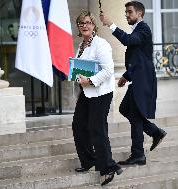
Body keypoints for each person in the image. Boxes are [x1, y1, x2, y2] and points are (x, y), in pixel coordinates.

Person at [100, 1, 167, 166]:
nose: (127, 15)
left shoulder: (143, 29)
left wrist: (111, 24)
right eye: (126, 12)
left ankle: (138, 154)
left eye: (130, 12)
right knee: (124, 108)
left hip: (144, 80)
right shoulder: (138, 30)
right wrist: (126, 75)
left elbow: (128, 40)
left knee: (135, 116)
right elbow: (138, 58)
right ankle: (155, 132)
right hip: (137, 78)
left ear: (139, 14)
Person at [72, 10, 122, 186]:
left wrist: (90, 81)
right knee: (78, 125)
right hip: (86, 92)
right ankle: (88, 161)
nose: (84, 26)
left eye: (87, 22)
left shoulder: (101, 44)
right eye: (81, 23)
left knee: (96, 128)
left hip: (100, 93)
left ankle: (108, 168)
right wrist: (76, 75)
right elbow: (83, 67)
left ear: (93, 25)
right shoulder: (81, 46)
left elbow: (108, 70)